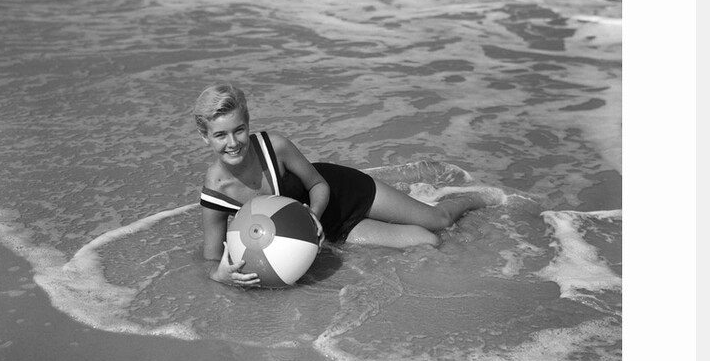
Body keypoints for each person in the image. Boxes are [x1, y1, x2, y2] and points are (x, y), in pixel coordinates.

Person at [194, 84, 495, 287]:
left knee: (438, 221)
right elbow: (211, 259)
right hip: (333, 232)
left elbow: (318, 184)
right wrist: (220, 275)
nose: (233, 143)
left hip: (340, 192)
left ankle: (477, 197)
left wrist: (311, 216)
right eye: (220, 135)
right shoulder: (216, 190)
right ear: (205, 137)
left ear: (248, 124)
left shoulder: (275, 146)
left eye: (239, 130)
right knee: (427, 241)